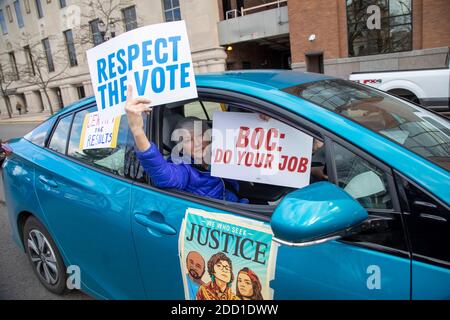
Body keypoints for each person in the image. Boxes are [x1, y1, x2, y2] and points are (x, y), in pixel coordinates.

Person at [125, 85, 250, 203]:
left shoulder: (219, 151)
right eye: (188, 140)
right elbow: (164, 174)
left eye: (200, 135)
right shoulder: (183, 167)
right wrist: (137, 131)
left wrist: (260, 117)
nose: (197, 143)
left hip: (240, 202)